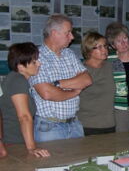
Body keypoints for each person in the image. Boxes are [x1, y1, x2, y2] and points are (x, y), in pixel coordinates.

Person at [29, 14, 92, 142]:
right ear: (54, 33)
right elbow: (46, 93)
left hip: (74, 124)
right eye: (68, 33)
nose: (72, 37)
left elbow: (86, 80)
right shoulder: (35, 57)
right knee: (53, 162)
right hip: (49, 127)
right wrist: (74, 91)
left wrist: (57, 84)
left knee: (79, 162)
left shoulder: (69, 54)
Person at [0, 43, 49, 157]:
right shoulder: (18, 80)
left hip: (15, 142)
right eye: (34, 62)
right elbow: (24, 117)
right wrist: (32, 148)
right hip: (13, 144)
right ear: (21, 67)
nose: (39, 64)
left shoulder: (16, 79)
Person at [78, 31, 116, 135]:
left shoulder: (109, 66)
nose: (104, 50)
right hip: (88, 126)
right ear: (89, 50)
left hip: (110, 125)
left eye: (105, 46)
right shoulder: (81, 70)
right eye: (99, 47)